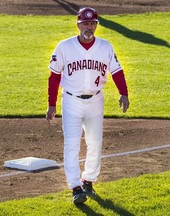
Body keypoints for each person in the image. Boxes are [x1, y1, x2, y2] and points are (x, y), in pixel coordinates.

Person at [46, 7, 129, 205]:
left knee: (95, 142)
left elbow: (117, 71)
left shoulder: (105, 47)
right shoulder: (64, 47)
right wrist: (51, 104)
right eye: (85, 23)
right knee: (72, 144)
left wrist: (124, 93)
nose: (89, 27)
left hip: (95, 100)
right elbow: (54, 77)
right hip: (71, 101)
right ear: (78, 24)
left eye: (92, 24)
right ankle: (75, 186)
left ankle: (88, 180)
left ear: (96, 26)